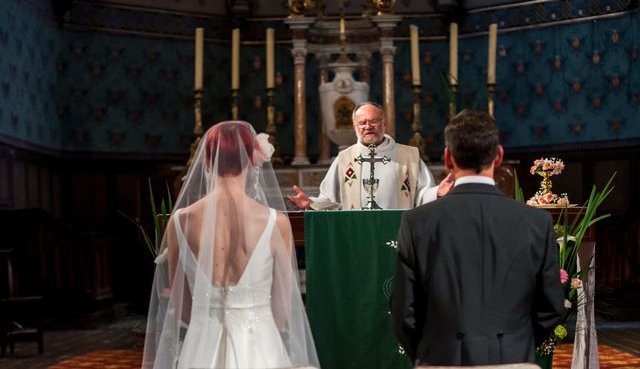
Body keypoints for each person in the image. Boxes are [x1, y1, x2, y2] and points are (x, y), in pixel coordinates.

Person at [391, 110, 565, 367]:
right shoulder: (536, 222)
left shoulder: (417, 221)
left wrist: (431, 352)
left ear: (448, 158)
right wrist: (515, 346)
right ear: (499, 156)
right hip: (514, 359)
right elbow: (551, 308)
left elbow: (404, 313)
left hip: (440, 359)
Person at [142, 121, 319, 369]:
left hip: (201, 345)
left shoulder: (180, 221)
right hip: (260, 345)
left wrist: (208, 317)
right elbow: (282, 307)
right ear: (252, 160)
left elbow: (181, 306)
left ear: (206, 161)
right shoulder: (275, 222)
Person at [288, 102, 454, 210]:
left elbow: (421, 195)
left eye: (374, 121)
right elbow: (330, 200)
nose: (368, 126)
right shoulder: (345, 159)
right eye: (362, 123)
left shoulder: (408, 156)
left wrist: (436, 192)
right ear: (355, 127)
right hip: (358, 232)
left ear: (384, 123)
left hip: (397, 232)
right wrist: (310, 203)